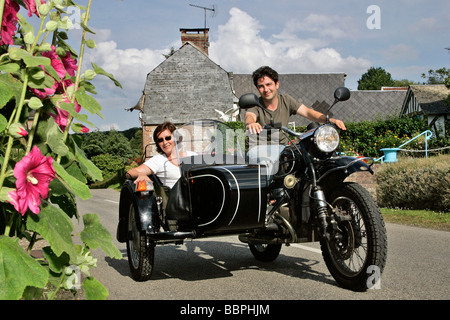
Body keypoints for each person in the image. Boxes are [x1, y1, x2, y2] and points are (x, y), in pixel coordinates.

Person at [244, 66, 346, 175]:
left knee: (307, 159)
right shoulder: (256, 104)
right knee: (270, 160)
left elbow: (307, 112)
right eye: (261, 86)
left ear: (277, 84)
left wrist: (329, 120)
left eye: (269, 84)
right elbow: (249, 115)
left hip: (282, 148)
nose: (266, 89)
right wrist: (251, 123)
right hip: (258, 148)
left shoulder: (286, 100)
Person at [125, 121, 181, 189]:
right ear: (158, 144)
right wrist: (140, 174)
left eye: (168, 138)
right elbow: (130, 172)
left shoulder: (190, 155)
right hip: (176, 197)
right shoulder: (158, 160)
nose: (165, 142)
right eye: (160, 140)